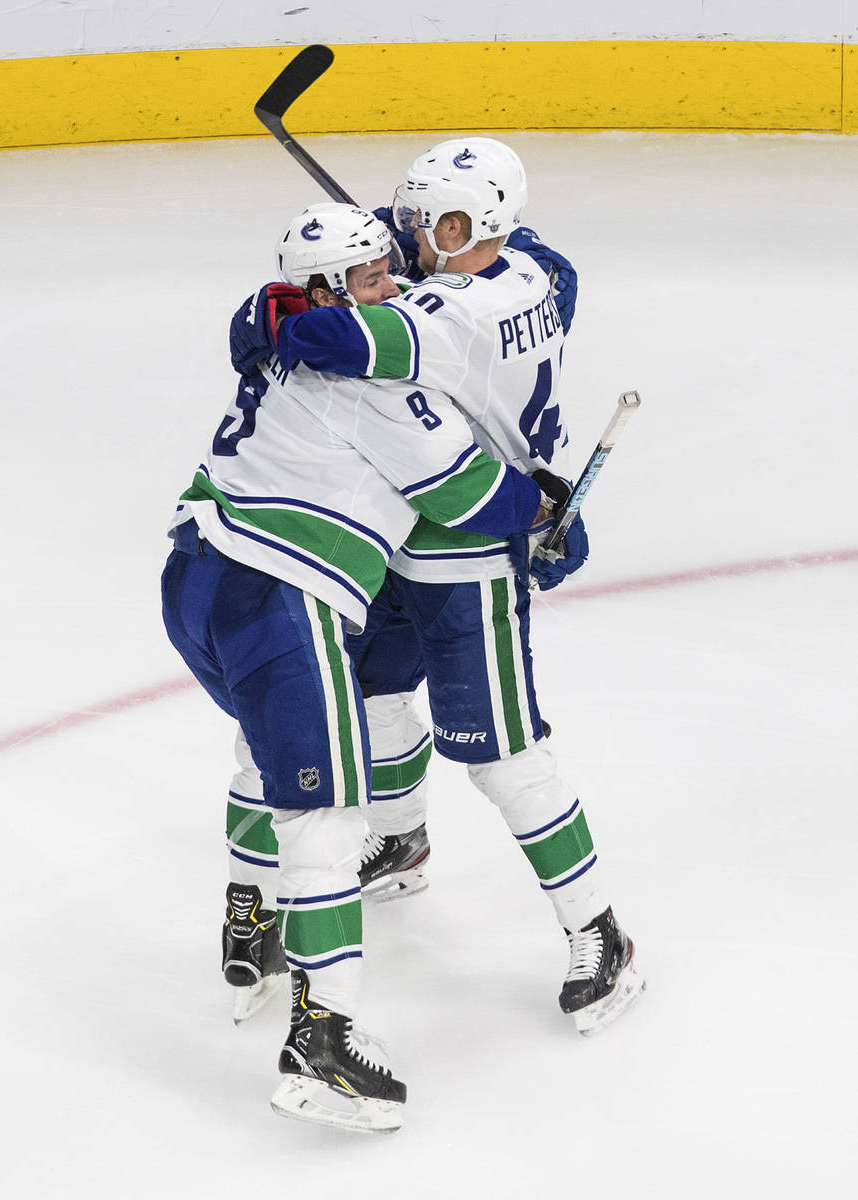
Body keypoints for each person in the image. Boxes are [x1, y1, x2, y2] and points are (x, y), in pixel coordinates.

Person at [161, 201, 564, 1132]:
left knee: (267, 761)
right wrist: (542, 506)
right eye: (373, 280)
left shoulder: (282, 335)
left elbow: (273, 317)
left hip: (195, 572)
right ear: (322, 293)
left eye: (393, 268)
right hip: (279, 593)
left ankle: (249, 926)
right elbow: (466, 493)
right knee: (327, 807)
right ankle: (322, 1040)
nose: (394, 289)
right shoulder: (373, 380)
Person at [230, 138, 645, 1037]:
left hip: (468, 539)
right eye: (410, 217)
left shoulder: (456, 313)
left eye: (434, 222)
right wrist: (361, 263)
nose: (412, 234)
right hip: (387, 526)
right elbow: (541, 265)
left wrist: (285, 309)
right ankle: (403, 838)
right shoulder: (535, 267)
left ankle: (600, 931)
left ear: (475, 227)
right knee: (373, 693)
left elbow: (327, 335)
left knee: (502, 754)